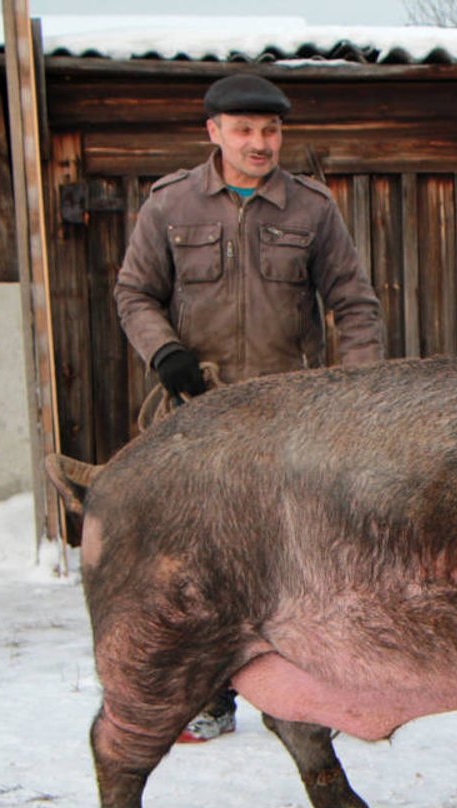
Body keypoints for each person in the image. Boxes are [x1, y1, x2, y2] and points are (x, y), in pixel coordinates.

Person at [114, 72, 385, 742]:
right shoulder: (171, 206)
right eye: (244, 130)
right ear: (214, 133)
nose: (259, 143)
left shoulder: (310, 209)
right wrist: (164, 353)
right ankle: (210, 698)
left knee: (288, 560)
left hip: (284, 417)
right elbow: (133, 293)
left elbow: (354, 304)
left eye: (270, 130)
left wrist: (359, 394)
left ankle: (296, 699)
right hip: (195, 410)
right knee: (198, 565)